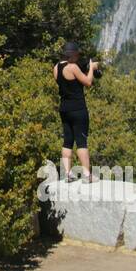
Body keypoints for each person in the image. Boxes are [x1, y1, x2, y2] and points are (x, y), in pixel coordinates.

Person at [54, 42, 98, 183]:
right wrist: (91, 68)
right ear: (73, 54)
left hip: (64, 109)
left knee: (67, 141)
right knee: (81, 141)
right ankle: (86, 175)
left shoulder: (56, 68)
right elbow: (88, 82)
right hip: (78, 109)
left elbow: (68, 83)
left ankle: (67, 174)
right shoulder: (72, 67)